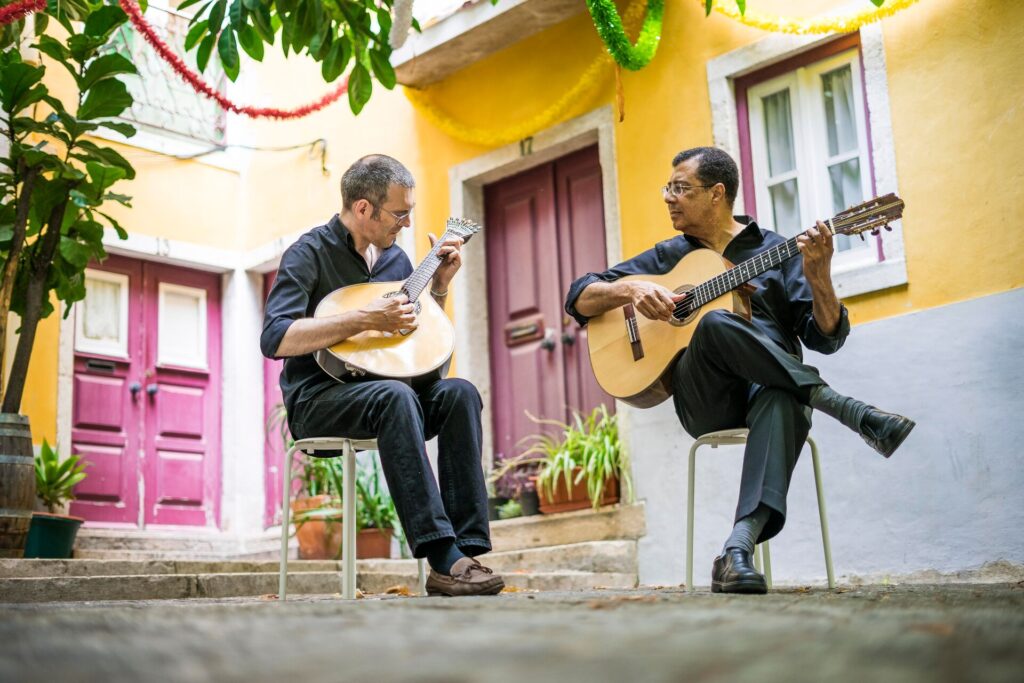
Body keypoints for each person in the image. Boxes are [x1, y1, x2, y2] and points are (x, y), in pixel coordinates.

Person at [564, 147, 914, 594]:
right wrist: (629, 289)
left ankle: (736, 550)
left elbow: (825, 338)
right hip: (706, 399)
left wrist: (820, 274)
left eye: (680, 188)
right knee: (713, 322)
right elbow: (578, 296)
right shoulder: (669, 256)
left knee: (781, 394)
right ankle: (845, 409)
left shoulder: (777, 250)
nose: (669, 198)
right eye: (667, 188)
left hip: (774, 391)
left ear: (717, 194)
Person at [261, 154, 504, 597]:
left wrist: (441, 289)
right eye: (400, 213)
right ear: (363, 209)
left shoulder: (397, 262)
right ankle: (441, 555)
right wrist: (361, 318)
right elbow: (274, 337)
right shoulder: (307, 254)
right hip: (321, 400)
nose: (408, 223)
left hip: (396, 395)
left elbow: (416, 342)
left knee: (460, 394)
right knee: (393, 396)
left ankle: (466, 549)